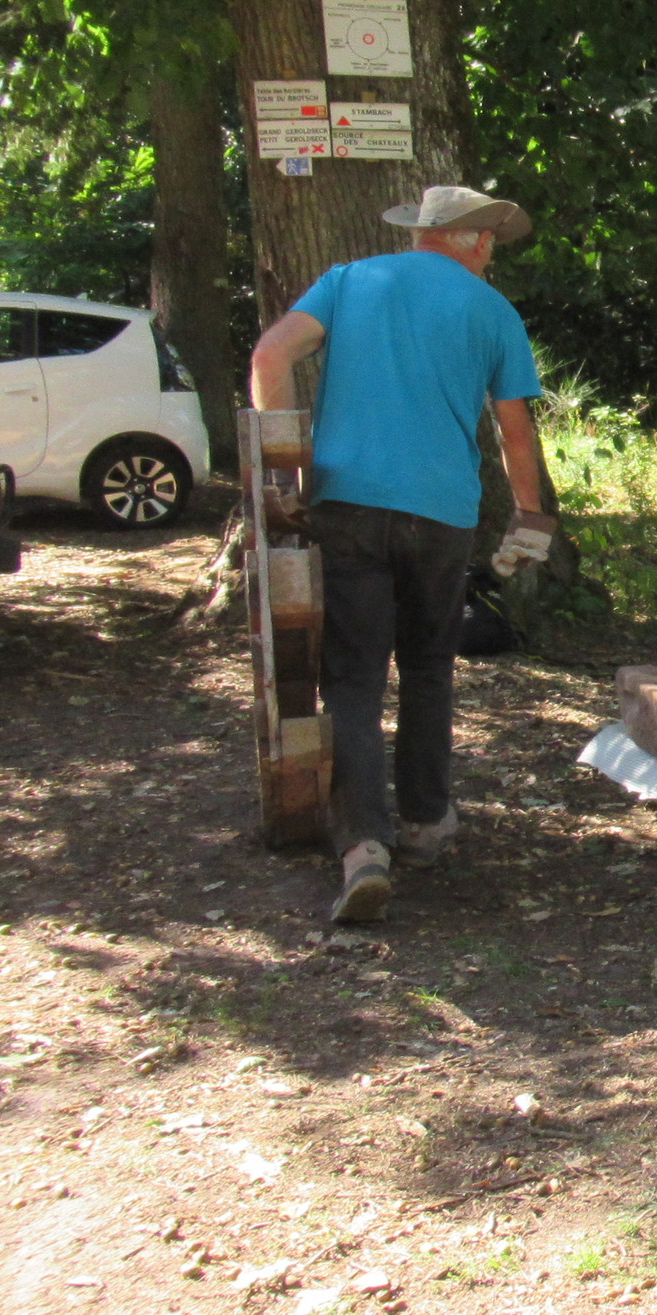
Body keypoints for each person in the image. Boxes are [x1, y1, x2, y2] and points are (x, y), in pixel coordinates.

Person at [249, 185, 554, 925]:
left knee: (353, 678)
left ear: (422, 233)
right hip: (441, 513)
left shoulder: (349, 282)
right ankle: (424, 821)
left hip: (347, 502)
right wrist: (531, 515)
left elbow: (269, 355)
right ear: (477, 242)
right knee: (427, 665)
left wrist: (284, 468)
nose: (492, 253)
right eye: (491, 242)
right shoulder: (493, 311)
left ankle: (363, 847)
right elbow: (514, 430)